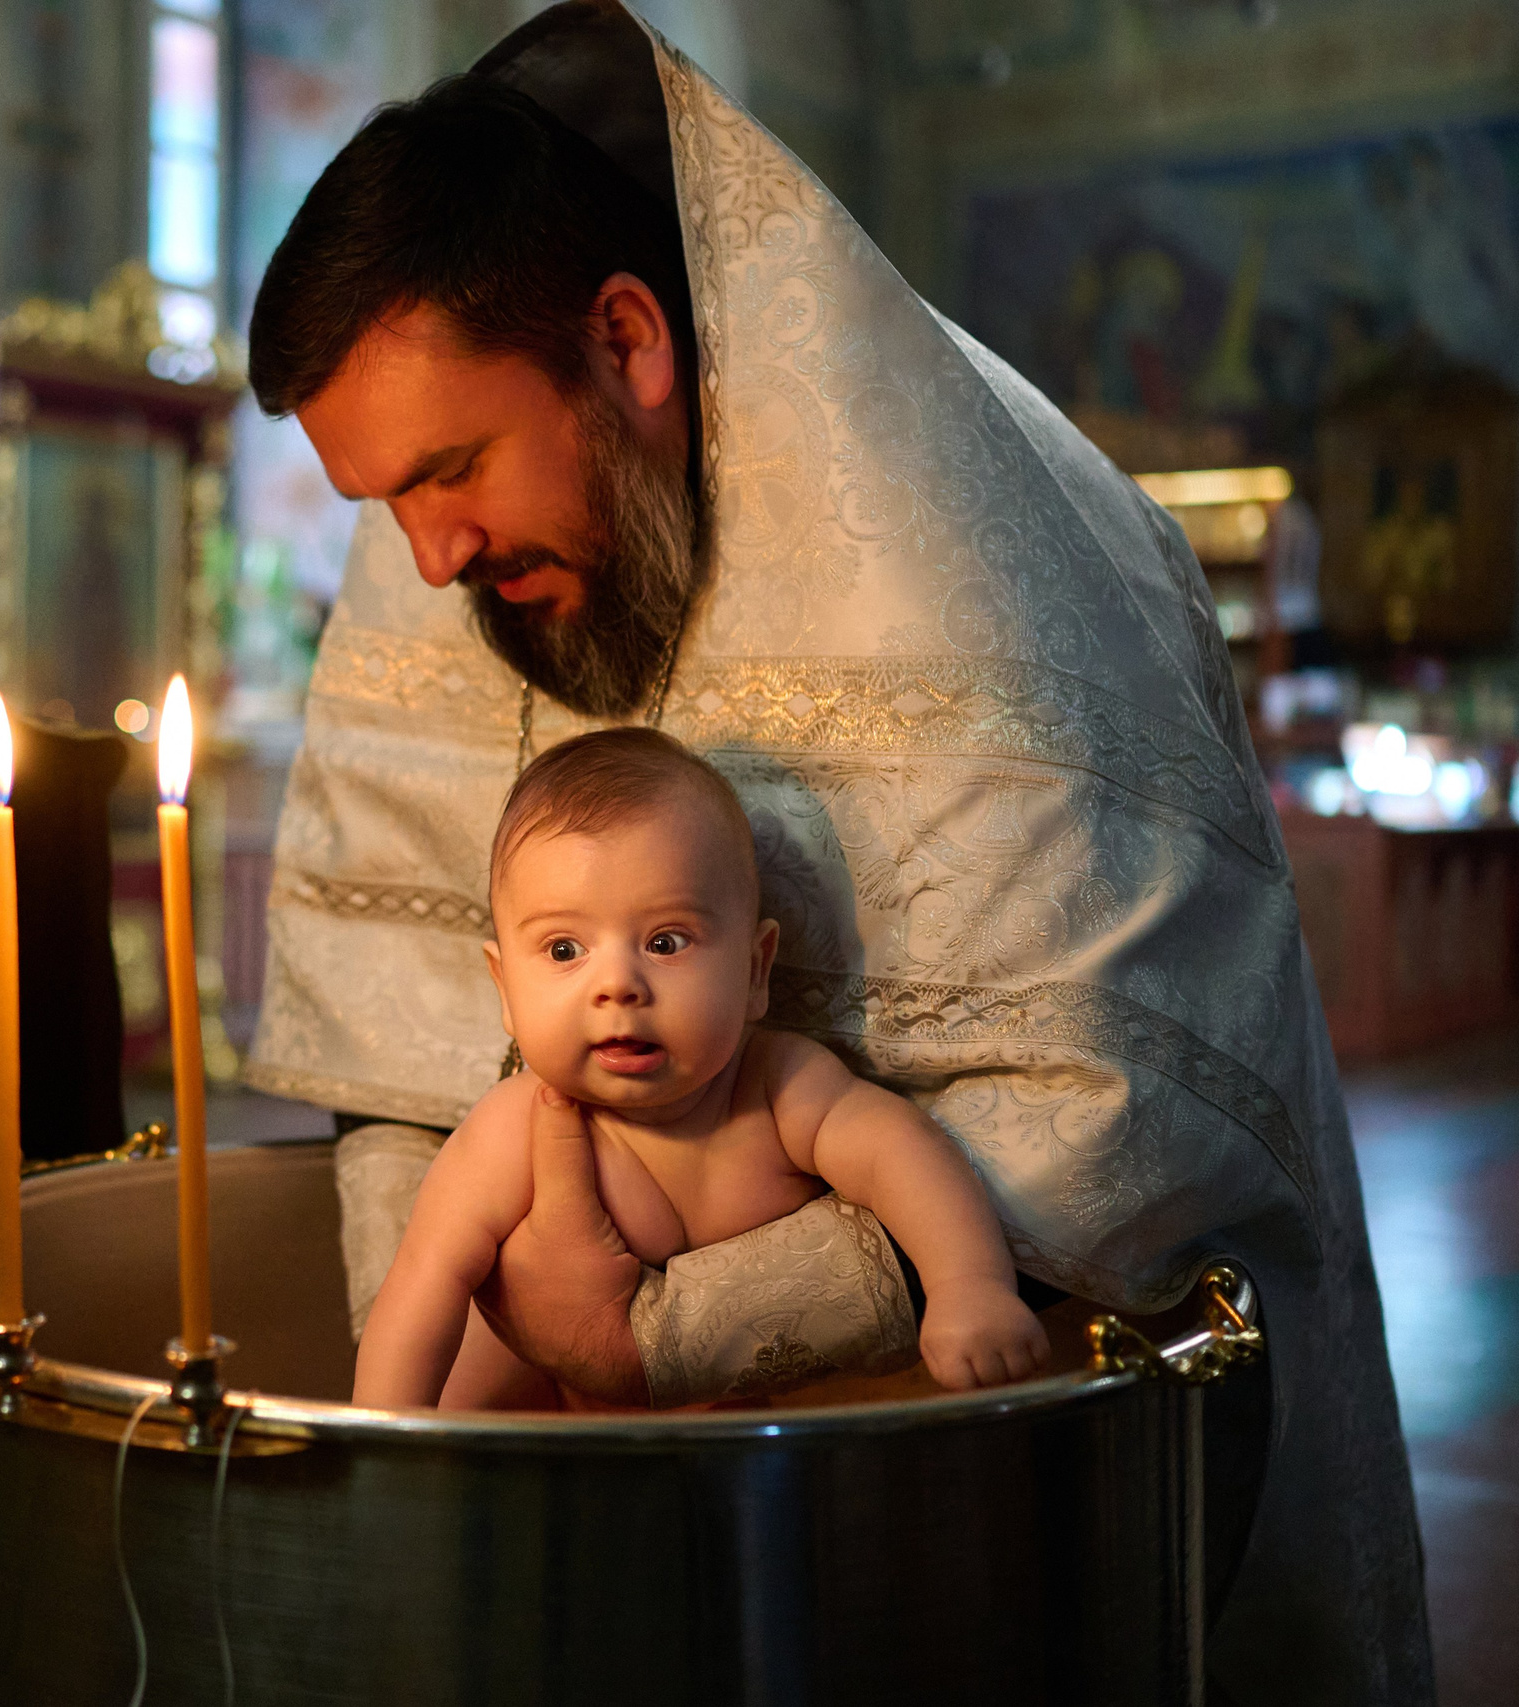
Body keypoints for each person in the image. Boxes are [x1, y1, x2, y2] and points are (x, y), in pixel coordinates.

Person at [240, 4, 1430, 1701]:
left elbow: (1104, 1134)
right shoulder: (475, 571)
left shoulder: (973, 563)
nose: (426, 560)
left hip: (989, 1503)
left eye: (448, 472)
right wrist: (461, 1427)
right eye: (383, 505)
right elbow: (401, 1067)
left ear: (628, 338)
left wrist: (655, 1337)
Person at [357, 729, 1050, 1409]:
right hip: (534, 1420)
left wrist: (969, 1286)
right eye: (565, 949)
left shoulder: (779, 1087)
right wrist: (384, 1444)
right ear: (505, 988)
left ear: (755, 970)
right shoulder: (511, 1130)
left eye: (665, 941)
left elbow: (903, 1153)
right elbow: (422, 1284)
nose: (617, 984)